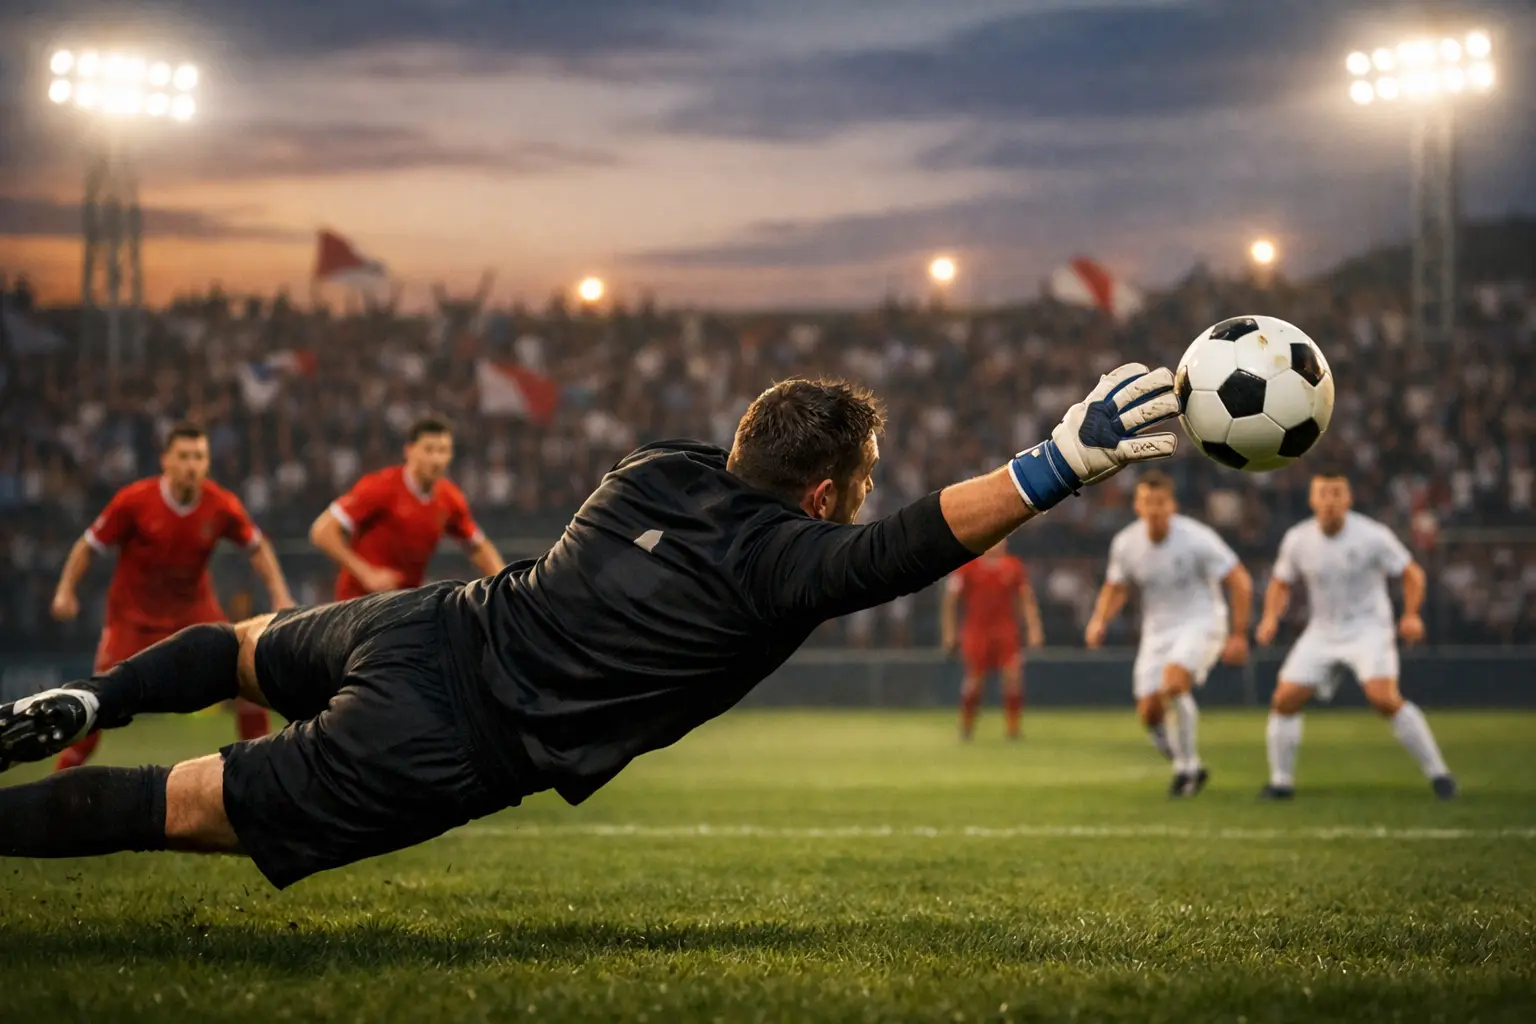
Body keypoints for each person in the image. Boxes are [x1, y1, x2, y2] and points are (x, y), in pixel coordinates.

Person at [1, 365, 1180, 888]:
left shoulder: (650, 468)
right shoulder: (788, 563)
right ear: (821, 494)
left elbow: (863, 519)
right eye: (861, 473)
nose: (869, 491)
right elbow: (910, 542)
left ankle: (95, 697)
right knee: (188, 804)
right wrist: (1060, 460)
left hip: (425, 622)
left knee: (246, 641)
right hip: (449, 735)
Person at [45, 423, 295, 770]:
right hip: (132, 619)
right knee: (97, 702)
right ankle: (59, 780)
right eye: (184, 456)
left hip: (194, 613)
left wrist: (279, 591)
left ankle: (258, 772)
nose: (192, 464)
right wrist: (65, 591)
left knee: (247, 674)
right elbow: (88, 546)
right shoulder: (134, 501)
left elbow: (257, 547)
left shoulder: (220, 504)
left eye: (199, 456)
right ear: (166, 460)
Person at [1254, 471, 1456, 800]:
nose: (1331, 501)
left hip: (1369, 629)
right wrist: (1269, 618)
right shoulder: (1298, 538)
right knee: (1284, 698)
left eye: (1337, 494)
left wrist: (1411, 615)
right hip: (1321, 630)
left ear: (1348, 499)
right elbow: (1280, 582)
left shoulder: (1372, 535)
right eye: (1324, 493)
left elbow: (1411, 574)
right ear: (1312, 499)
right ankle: (1281, 782)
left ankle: (1440, 775)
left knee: (1383, 698)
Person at [1084, 471, 1251, 797]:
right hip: (1157, 631)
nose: (1154, 508)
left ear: (1172, 505)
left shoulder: (1196, 538)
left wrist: (1238, 634)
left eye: (1160, 502)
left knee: (1174, 683)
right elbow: (1116, 587)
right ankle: (1187, 763)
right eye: (1147, 502)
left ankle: (1186, 769)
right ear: (1137, 506)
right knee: (1149, 711)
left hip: (1201, 622)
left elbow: (1239, 579)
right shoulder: (1126, 543)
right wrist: (1099, 620)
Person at [309, 415, 504, 599]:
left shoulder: (449, 498)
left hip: (405, 606)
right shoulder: (382, 486)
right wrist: (367, 574)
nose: (436, 459)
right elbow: (322, 532)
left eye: (443, 451)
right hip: (358, 603)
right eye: (429, 450)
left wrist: (507, 588)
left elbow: (478, 546)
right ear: (409, 450)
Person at [941, 541, 1044, 741]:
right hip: (976, 631)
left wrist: (1034, 628)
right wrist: (950, 632)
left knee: (1013, 678)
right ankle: (966, 726)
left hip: (1006, 632)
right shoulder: (967, 566)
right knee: (975, 682)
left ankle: (1013, 730)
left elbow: (1026, 599)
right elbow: (951, 601)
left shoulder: (1013, 565)